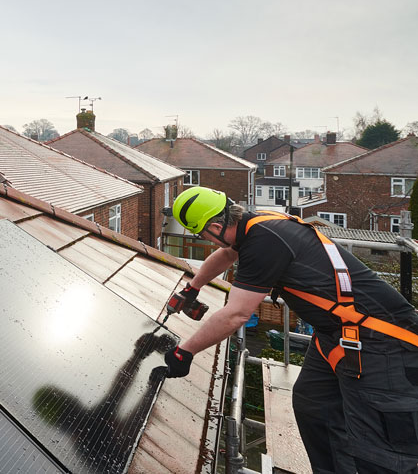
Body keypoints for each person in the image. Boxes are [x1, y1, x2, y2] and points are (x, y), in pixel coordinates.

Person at [164, 186, 418, 473]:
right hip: (335, 335)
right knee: (315, 407)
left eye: (202, 235)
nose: (205, 241)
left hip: (381, 343)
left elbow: (236, 314)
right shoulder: (257, 223)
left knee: (382, 452)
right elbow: (226, 254)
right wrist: (192, 288)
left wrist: (185, 352)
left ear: (216, 226)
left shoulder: (263, 243)